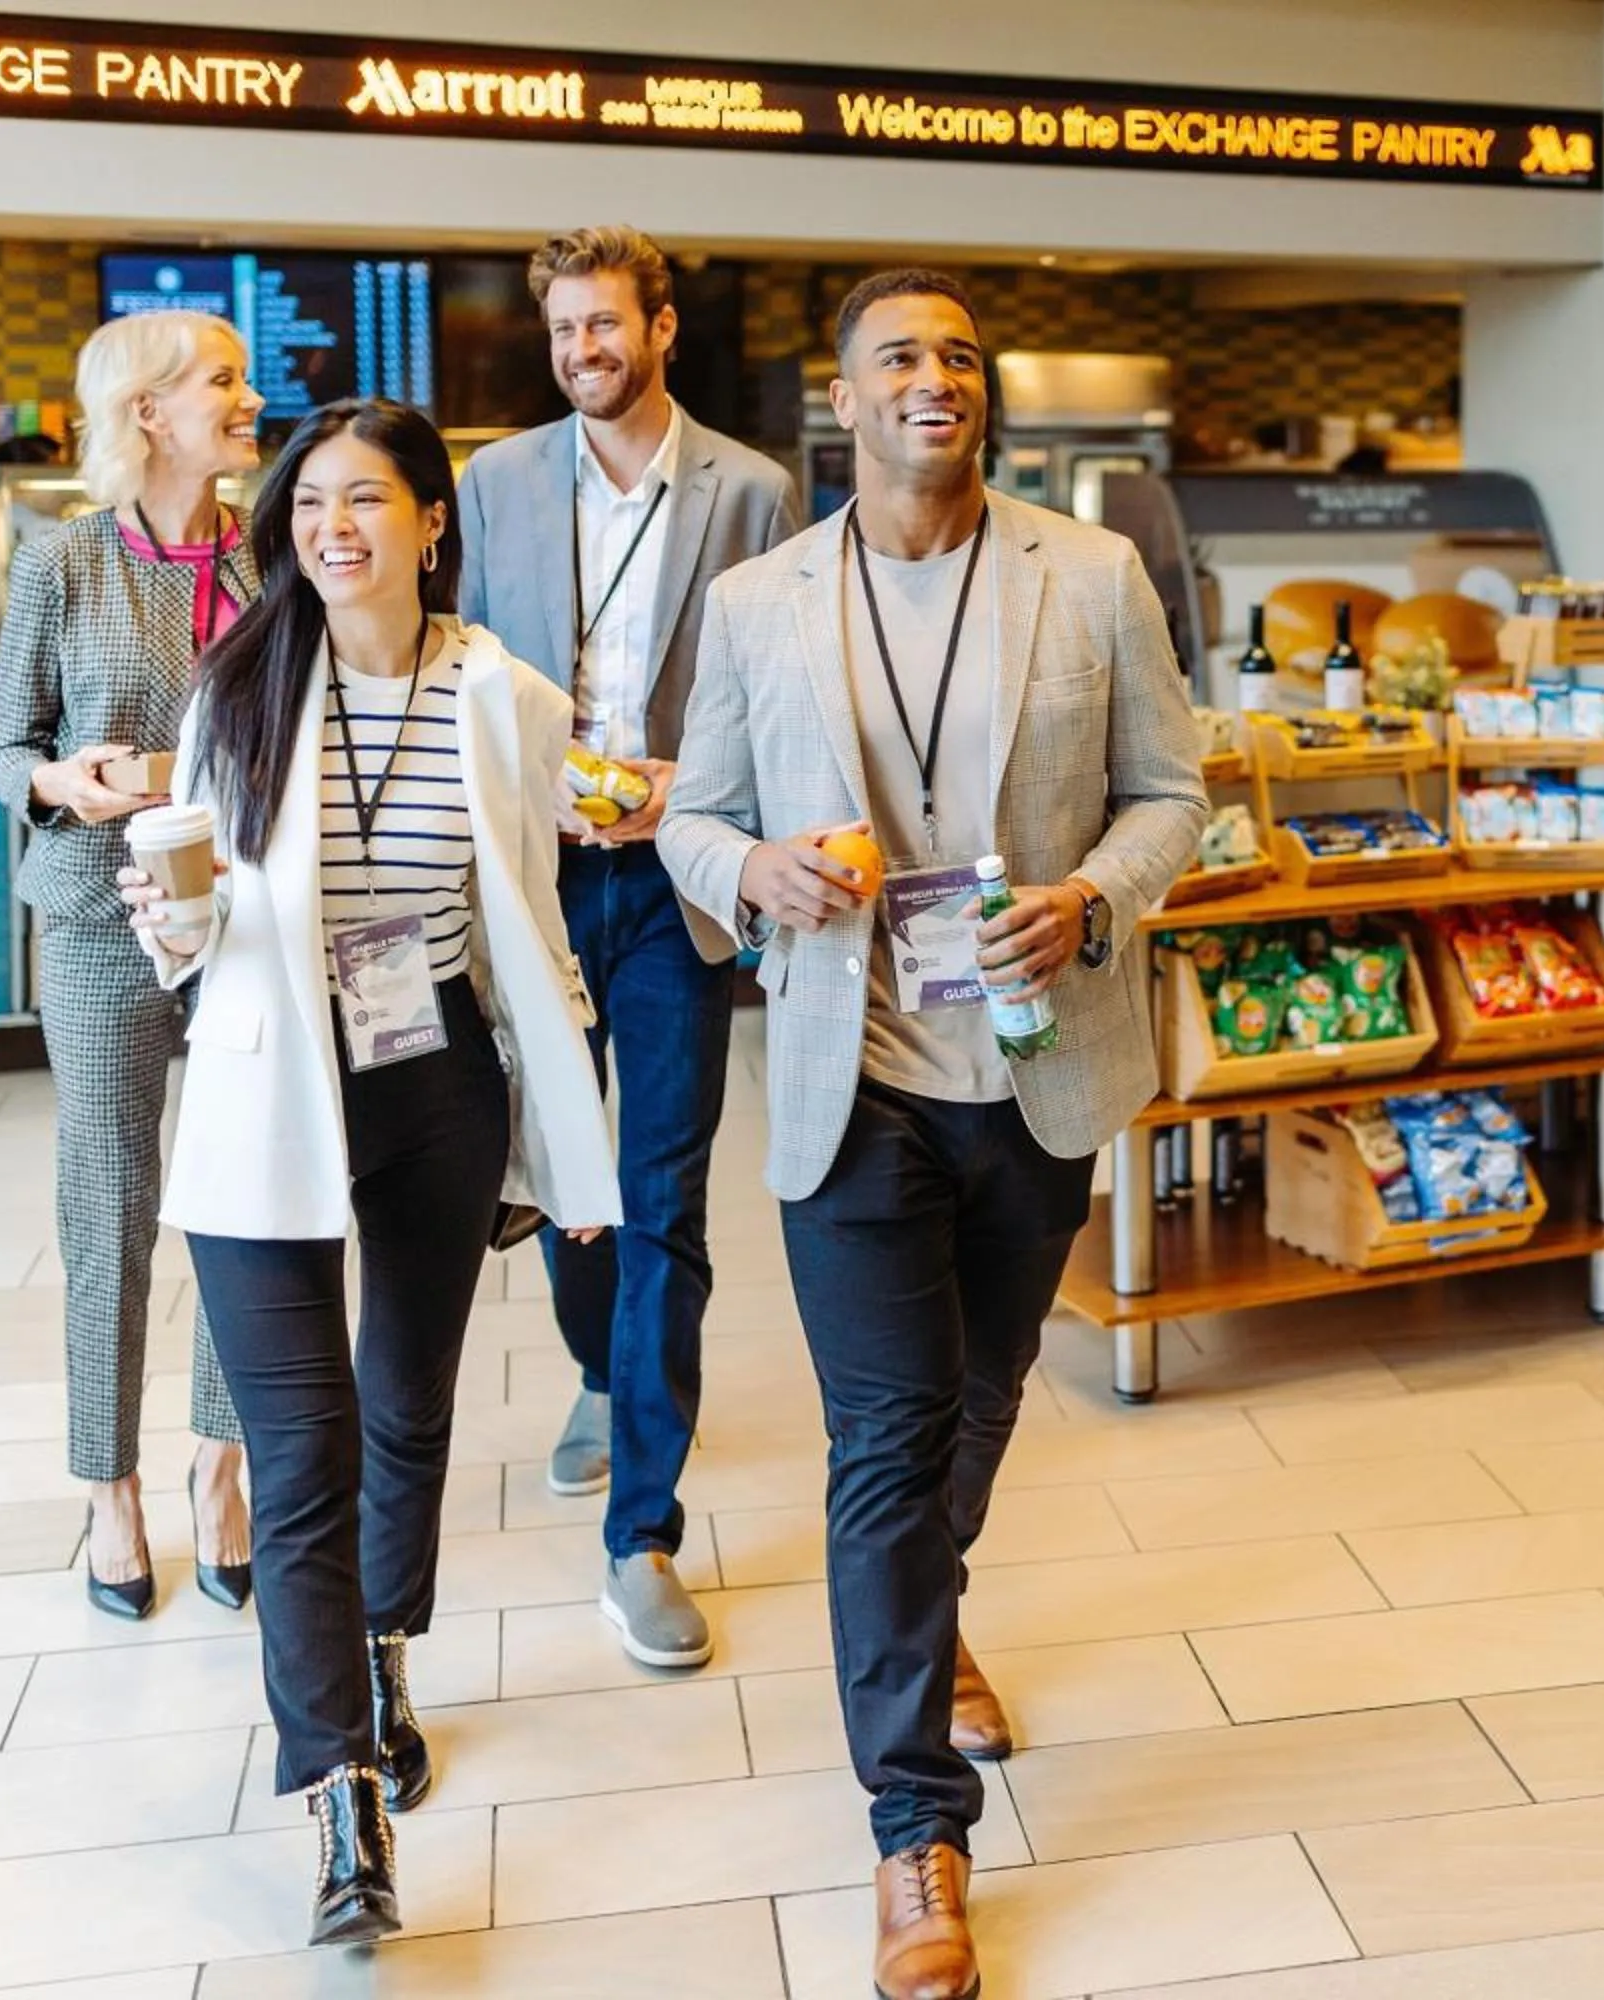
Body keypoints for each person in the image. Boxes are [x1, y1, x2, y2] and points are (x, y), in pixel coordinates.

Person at [660, 269, 1204, 2000]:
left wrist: (1093, 903)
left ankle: (926, 1614)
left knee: (977, 1404)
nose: (936, 380)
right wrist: (749, 874)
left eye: (962, 357)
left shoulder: (1092, 573)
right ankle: (918, 1831)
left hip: (1034, 1071)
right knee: (886, 1439)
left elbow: (1174, 793)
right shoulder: (758, 603)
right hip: (855, 1079)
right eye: (902, 355)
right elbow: (692, 816)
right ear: (846, 398)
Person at [116, 399, 620, 1949]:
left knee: (407, 1405)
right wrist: (170, 923)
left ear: (429, 523)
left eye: (369, 500)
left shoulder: (499, 687)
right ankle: (340, 1791)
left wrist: (648, 802)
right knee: (304, 1443)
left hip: (434, 1087)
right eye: (313, 502)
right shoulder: (240, 684)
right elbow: (191, 915)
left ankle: (388, 1641)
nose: (337, 526)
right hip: (269, 1095)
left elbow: (580, 820)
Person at [456, 224, 802, 1670]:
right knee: (560, 1169)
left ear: (662, 329)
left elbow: (783, 687)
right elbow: (463, 668)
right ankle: (603, 1371)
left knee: (662, 1193)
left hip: (673, 887)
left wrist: (695, 790)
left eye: (607, 326)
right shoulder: (496, 483)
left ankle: (642, 1532)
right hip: (543, 882)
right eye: (563, 334)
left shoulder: (752, 492)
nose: (584, 353)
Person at [0, 309, 262, 1621]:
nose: (248, 397)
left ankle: (222, 1461)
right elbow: (4, 749)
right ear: (151, 411)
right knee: (110, 1194)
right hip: (97, 915)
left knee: (237, 1195)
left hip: (241, 915)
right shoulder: (63, 561)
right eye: (224, 379)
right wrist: (58, 776)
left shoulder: (271, 564)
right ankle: (108, 1485)